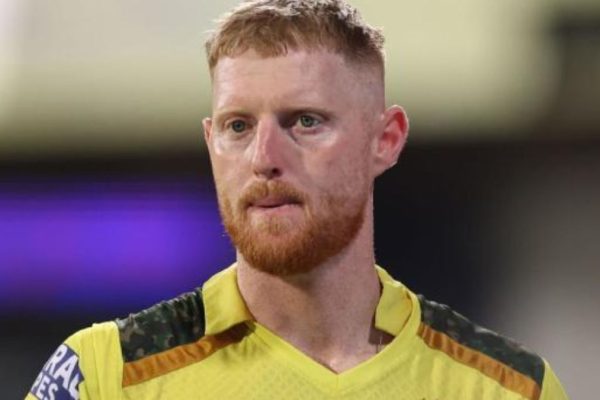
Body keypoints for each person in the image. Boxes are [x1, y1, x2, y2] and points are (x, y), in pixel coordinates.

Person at [27, 1, 568, 399]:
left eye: (306, 121)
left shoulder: (509, 388)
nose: (264, 157)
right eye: (238, 126)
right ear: (211, 143)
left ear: (385, 140)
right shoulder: (106, 376)